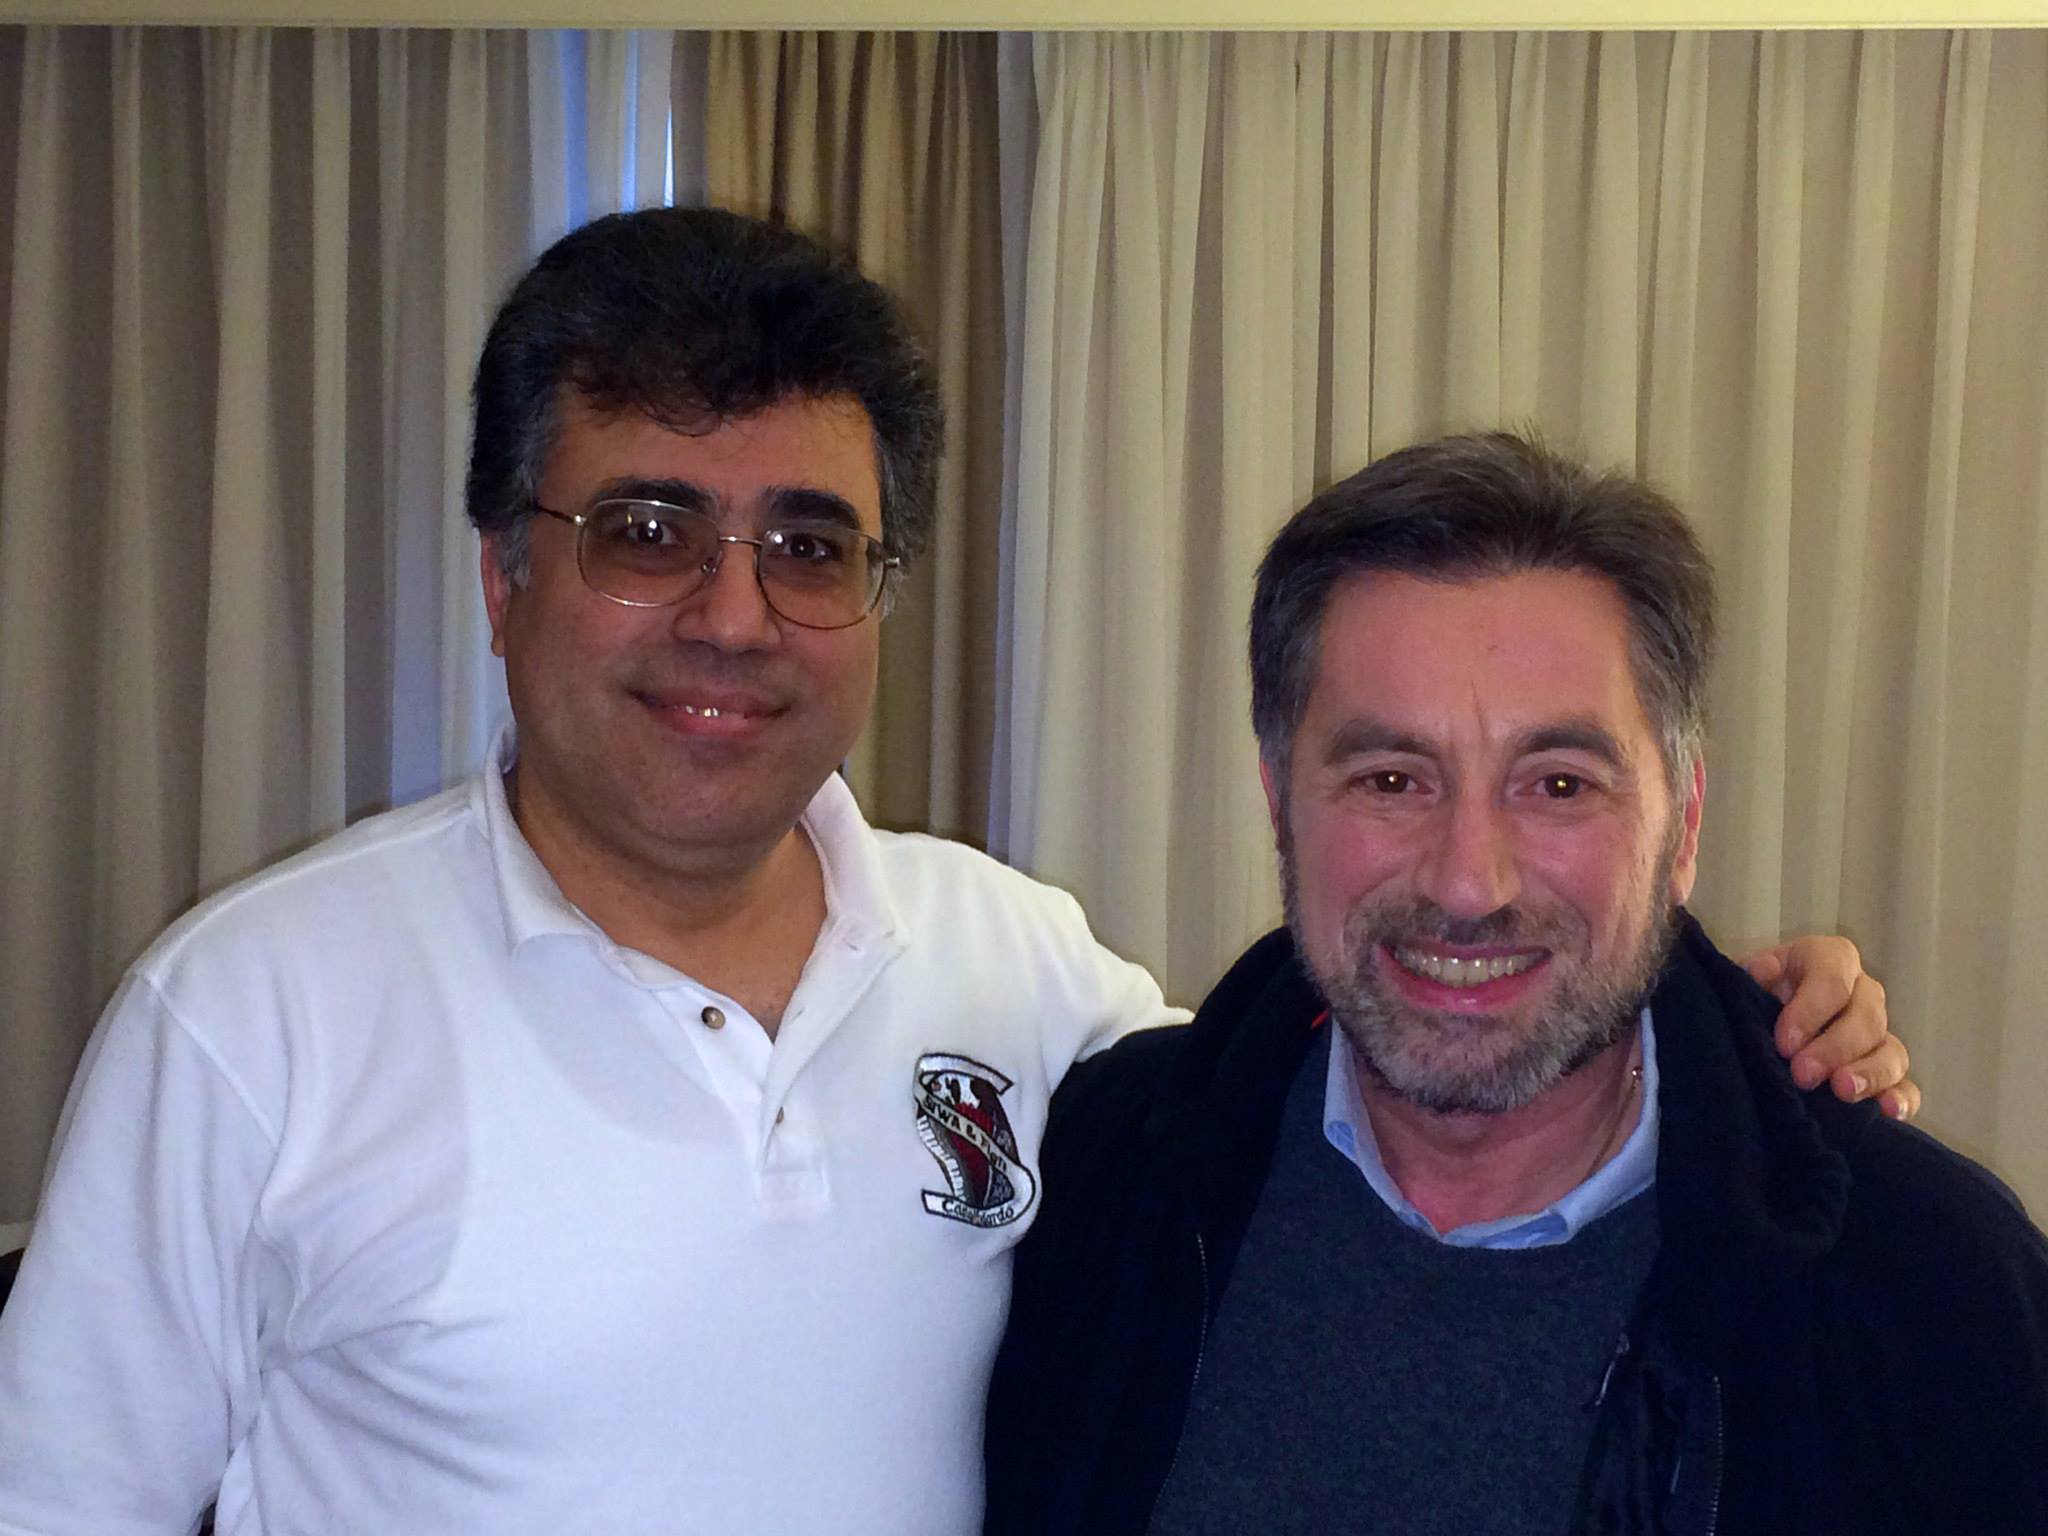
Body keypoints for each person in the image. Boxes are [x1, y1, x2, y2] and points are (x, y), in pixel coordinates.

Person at [0, 214, 1903, 1536]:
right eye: (647, 529)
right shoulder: (248, 1015)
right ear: (506, 576)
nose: (732, 616)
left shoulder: (1012, 962)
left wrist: (1725, 1013)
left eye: (809, 545)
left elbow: (1393, 1025)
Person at [984, 430, 2048, 1535]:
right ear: (1279, 804)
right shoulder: (1097, 1180)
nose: (1467, 882)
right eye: (1391, 779)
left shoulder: (1933, 1295)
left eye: (1558, 785)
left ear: (1681, 825)